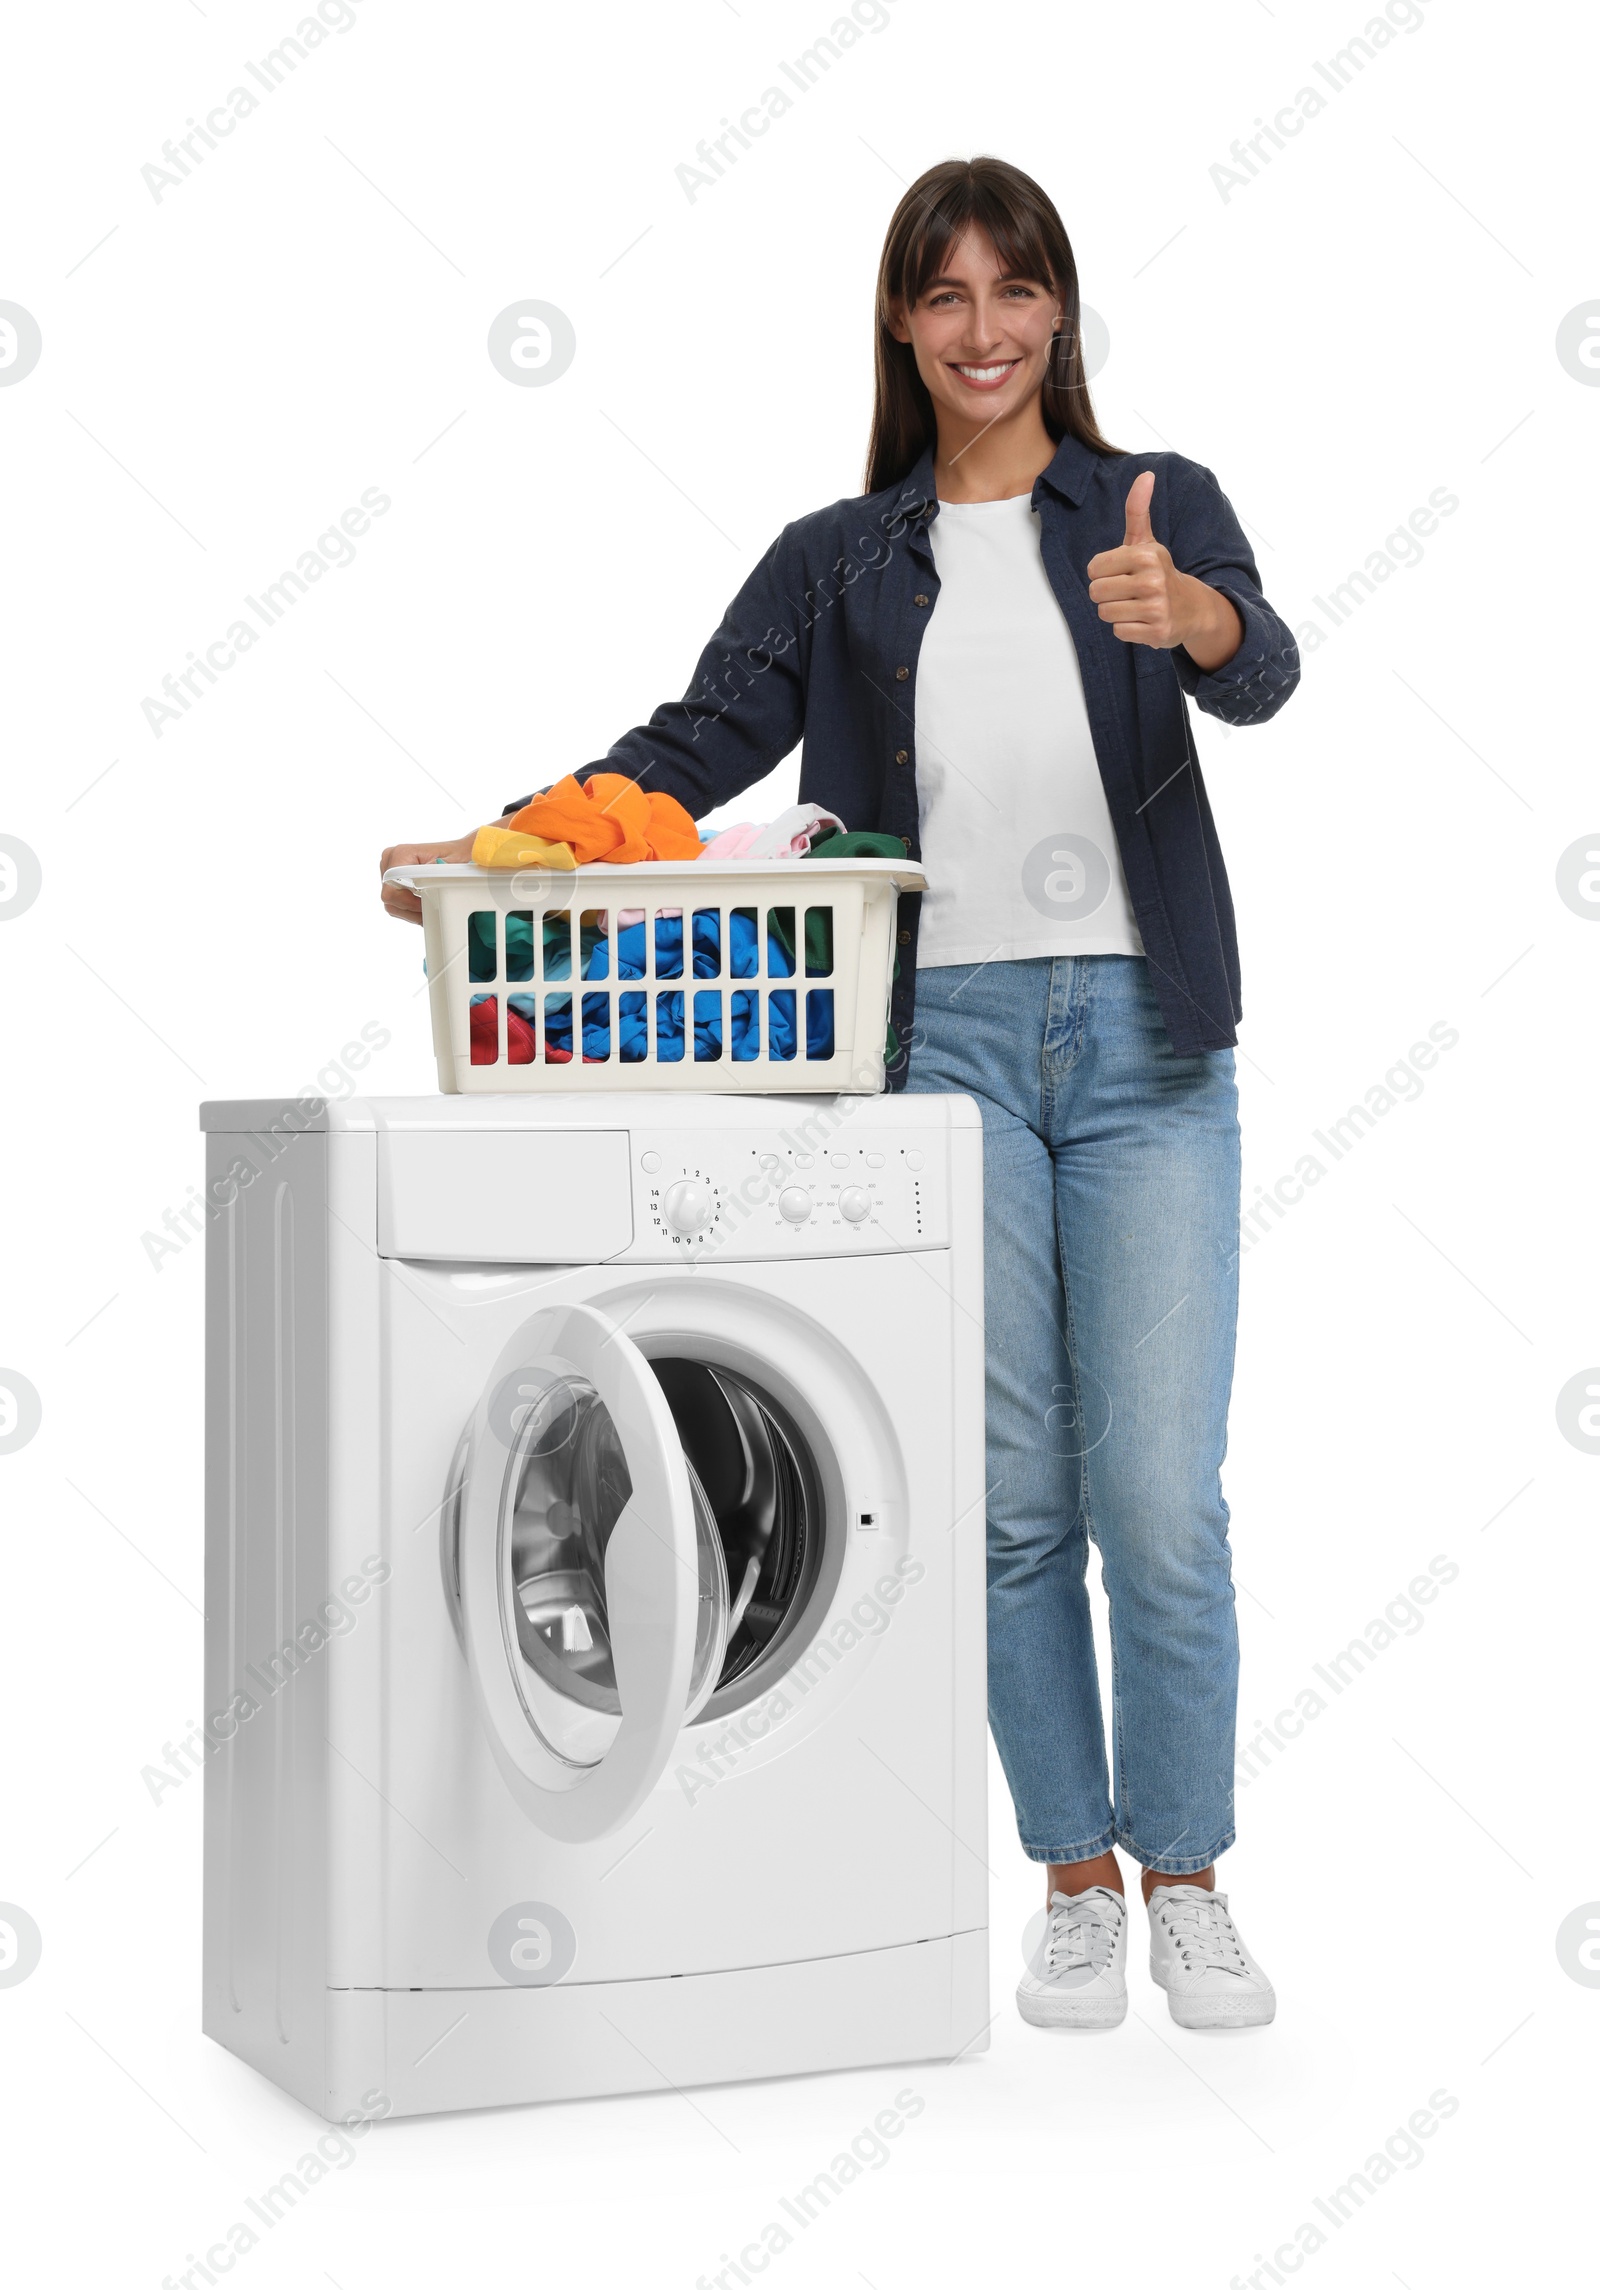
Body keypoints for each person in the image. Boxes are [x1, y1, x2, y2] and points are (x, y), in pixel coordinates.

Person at [381, 156, 1301, 2033]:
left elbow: (1265, 672)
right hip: (941, 1040)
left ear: (1060, 309)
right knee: (1015, 1501)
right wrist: (499, 844)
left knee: (1164, 1499)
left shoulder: (1152, 501)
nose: (985, 330)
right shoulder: (842, 556)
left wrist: (1191, 618)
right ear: (903, 318)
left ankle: (1188, 1871)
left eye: (1017, 291)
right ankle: (1070, 1877)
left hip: (1144, 1042)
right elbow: (696, 739)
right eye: (947, 296)